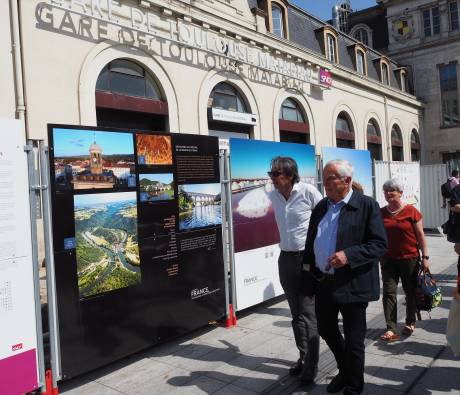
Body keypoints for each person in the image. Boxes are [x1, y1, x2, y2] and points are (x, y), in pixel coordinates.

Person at [303, 160, 387, 395]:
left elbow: (379, 244)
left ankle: (353, 384)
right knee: (327, 330)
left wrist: (348, 255)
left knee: (354, 340)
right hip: (324, 282)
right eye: (324, 177)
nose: (324, 182)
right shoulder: (322, 206)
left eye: (330, 178)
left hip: (352, 284)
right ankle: (345, 370)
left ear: (347, 181)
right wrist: (307, 275)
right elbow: (311, 243)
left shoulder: (367, 205)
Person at [268, 156, 323, 384]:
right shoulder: (272, 194)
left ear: (290, 175)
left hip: (307, 259)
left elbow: (326, 218)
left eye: (276, 174)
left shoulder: (309, 192)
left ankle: (311, 365)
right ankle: (303, 357)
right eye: (270, 174)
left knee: (308, 313)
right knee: (295, 314)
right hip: (286, 259)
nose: (272, 178)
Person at [379, 179, 429, 342]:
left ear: (400, 193)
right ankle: (391, 328)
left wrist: (425, 257)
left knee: (410, 291)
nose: (388, 193)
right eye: (385, 191)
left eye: (391, 190)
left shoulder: (411, 211)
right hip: (388, 259)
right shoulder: (381, 213)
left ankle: (410, 321)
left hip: (410, 258)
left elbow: (421, 235)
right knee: (388, 293)